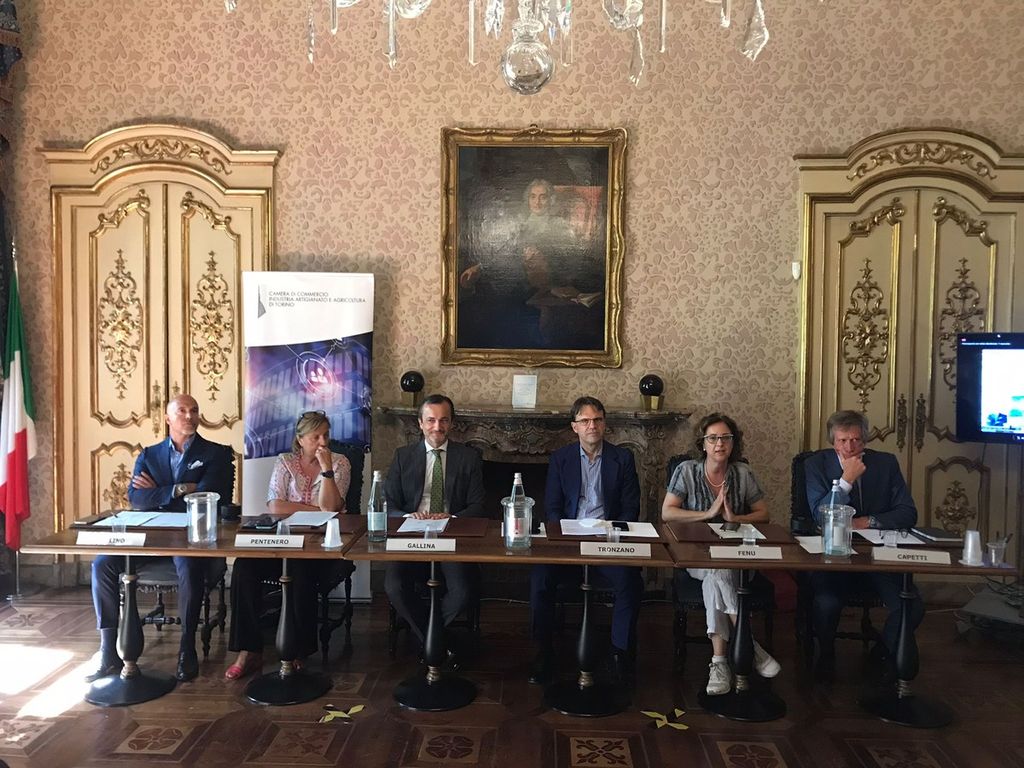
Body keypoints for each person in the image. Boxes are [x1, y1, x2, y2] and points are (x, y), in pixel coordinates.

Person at [88, 394, 234, 683]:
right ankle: (107, 649)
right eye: (182, 411)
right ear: (168, 419)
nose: (190, 416)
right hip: (151, 535)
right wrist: (180, 489)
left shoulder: (215, 453)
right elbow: (136, 498)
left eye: (194, 410)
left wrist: (160, 491)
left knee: (189, 566)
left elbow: (207, 495)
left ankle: (186, 647)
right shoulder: (149, 454)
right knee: (102, 563)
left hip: (191, 536)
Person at [224, 411, 353, 680]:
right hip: (282, 539)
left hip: (320, 545)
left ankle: (298, 651)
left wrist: (326, 471)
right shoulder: (285, 462)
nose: (323, 442)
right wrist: (316, 510)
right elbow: (274, 506)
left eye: (326, 435)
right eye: (316, 436)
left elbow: (331, 506)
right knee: (244, 568)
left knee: (299, 571)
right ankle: (249, 650)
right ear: (300, 439)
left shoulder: (340, 462)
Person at [661, 413, 781, 695]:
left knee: (716, 576)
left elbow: (764, 514)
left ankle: (719, 663)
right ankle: (748, 644)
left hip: (737, 557)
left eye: (726, 438)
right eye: (713, 438)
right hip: (696, 556)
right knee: (715, 571)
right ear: (702, 443)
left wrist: (736, 518)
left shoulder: (742, 473)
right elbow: (667, 512)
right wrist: (707, 514)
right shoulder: (687, 471)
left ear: (733, 443)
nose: (719, 444)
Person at [528, 396, 642, 685]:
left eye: (598, 420)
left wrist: (612, 532)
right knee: (540, 579)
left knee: (630, 581)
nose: (592, 426)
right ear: (574, 427)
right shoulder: (561, 459)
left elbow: (631, 508)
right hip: (568, 541)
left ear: (605, 424)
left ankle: (619, 654)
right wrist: (564, 533)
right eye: (585, 421)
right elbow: (553, 507)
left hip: (607, 540)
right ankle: (544, 652)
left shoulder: (623, 458)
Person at [804, 409, 923, 681]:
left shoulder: (885, 464)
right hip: (834, 556)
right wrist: (846, 481)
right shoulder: (815, 465)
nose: (849, 447)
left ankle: (883, 651)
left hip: (876, 557)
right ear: (832, 441)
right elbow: (821, 516)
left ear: (865, 440)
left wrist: (866, 521)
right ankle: (826, 653)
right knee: (826, 602)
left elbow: (907, 512)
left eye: (856, 440)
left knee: (912, 605)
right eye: (843, 440)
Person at [383, 394, 485, 653]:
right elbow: (388, 502)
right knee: (394, 586)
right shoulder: (403, 456)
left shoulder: (468, 458)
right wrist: (408, 516)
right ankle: (438, 641)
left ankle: (429, 639)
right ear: (420, 423)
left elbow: (478, 505)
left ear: (452, 423)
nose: (437, 427)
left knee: (462, 592)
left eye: (443, 420)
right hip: (411, 534)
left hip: (451, 535)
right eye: (430, 420)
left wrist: (452, 517)